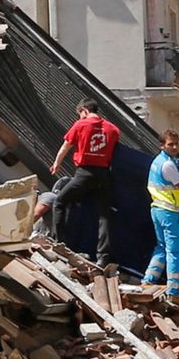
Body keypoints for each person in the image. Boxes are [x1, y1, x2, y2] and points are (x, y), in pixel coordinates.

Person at [49, 99, 120, 264]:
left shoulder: (80, 125)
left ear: (85, 110)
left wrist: (56, 164)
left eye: (80, 114)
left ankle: (60, 245)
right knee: (104, 216)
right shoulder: (113, 129)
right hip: (103, 174)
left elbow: (66, 146)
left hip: (84, 173)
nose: (80, 117)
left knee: (59, 202)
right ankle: (103, 258)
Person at [142, 130, 179, 296]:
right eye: (171, 144)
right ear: (162, 145)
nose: (175, 147)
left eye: (176, 144)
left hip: (157, 209)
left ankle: (149, 279)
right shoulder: (168, 165)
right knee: (176, 250)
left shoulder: (157, 162)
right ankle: (173, 289)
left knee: (162, 247)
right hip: (171, 212)